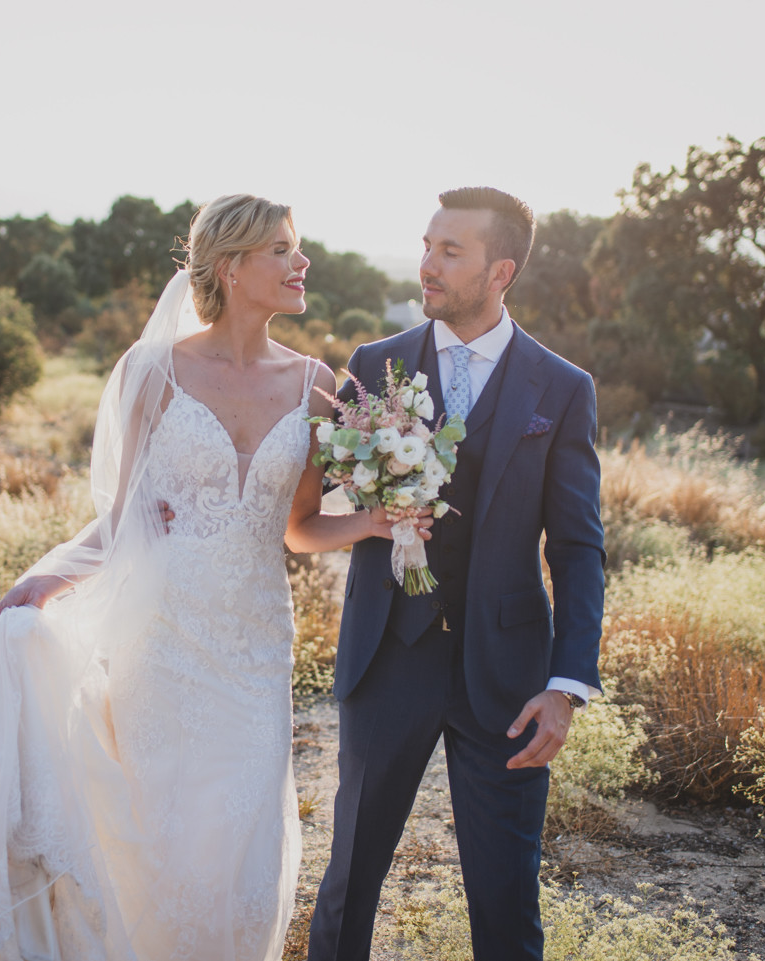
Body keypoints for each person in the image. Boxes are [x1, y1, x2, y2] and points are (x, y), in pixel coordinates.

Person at [0, 194, 428, 961]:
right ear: (233, 268)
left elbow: (296, 526)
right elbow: (120, 518)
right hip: (163, 640)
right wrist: (49, 581)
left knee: (240, 842)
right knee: (156, 836)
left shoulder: (315, 387)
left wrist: (369, 523)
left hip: (253, 645)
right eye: (283, 249)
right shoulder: (152, 373)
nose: (301, 262)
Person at [306, 187, 605, 961]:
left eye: (450, 251)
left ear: (500, 269)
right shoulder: (375, 365)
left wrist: (567, 685)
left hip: (507, 681)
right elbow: (321, 499)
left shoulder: (563, 388)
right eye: (427, 244)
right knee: (349, 885)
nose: (426, 265)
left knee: (507, 902)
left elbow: (577, 548)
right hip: (387, 660)